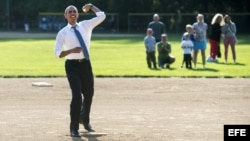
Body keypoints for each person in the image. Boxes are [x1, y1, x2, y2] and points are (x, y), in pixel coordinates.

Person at [54, 4, 106, 137]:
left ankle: (84, 119)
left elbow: (102, 16)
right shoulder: (62, 33)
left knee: (88, 94)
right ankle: (73, 128)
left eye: (74, 12)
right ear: (65, 16)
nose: (72, 13)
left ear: (78, 15)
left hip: (85, 65)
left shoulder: (85, 25)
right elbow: (58, 53)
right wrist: (72, 50)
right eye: (69, 12)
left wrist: (92, 6)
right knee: (77, 96)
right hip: (72, 66)